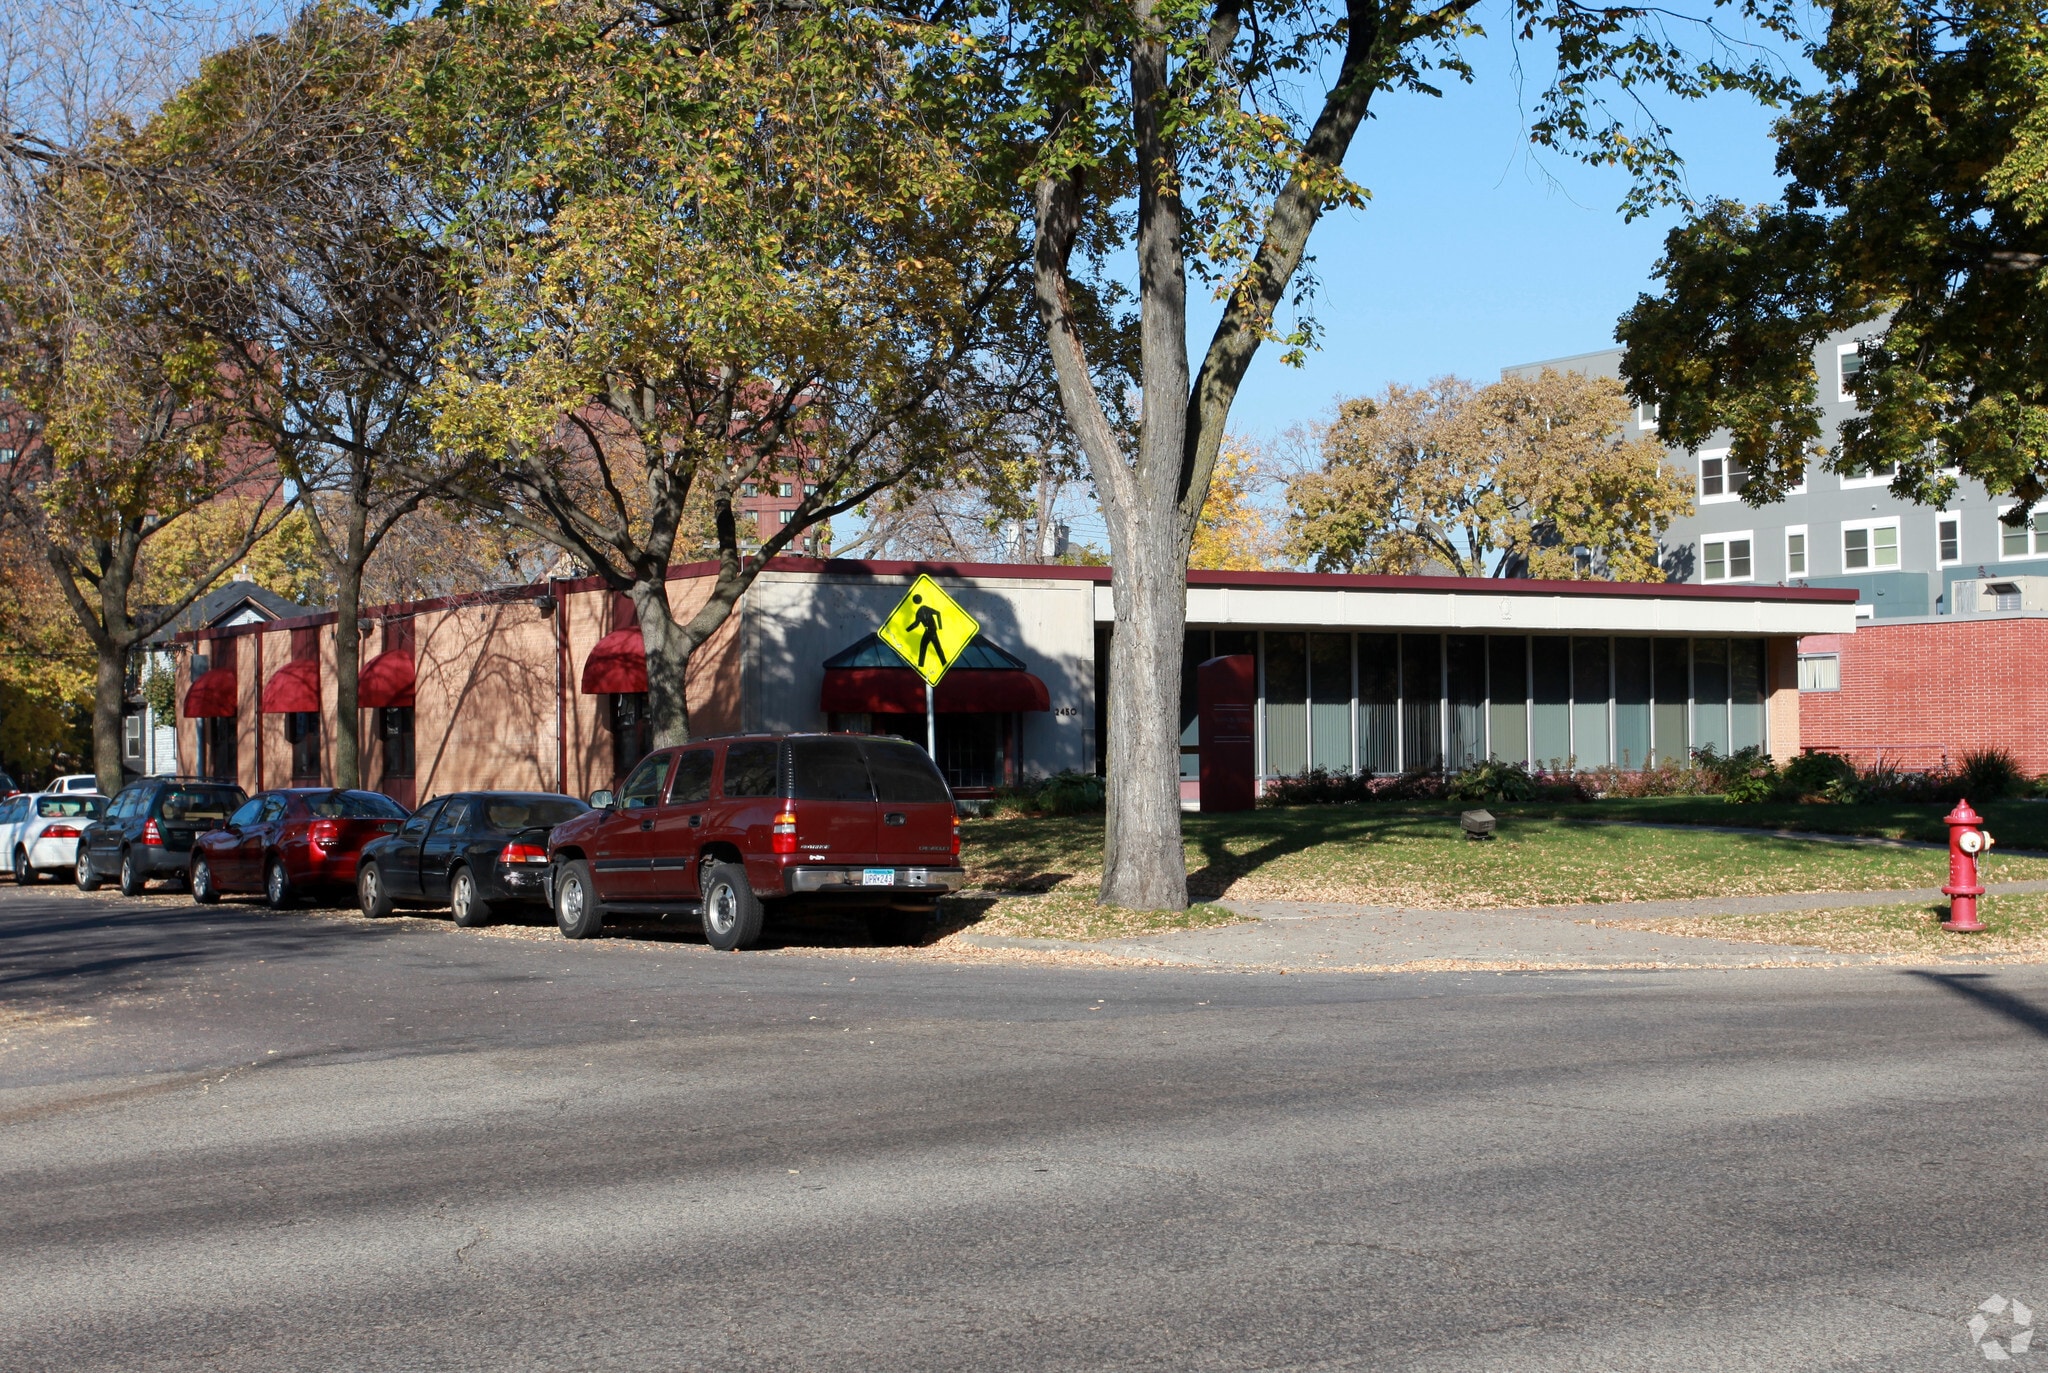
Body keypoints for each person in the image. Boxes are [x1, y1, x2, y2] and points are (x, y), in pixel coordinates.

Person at [907, 594, 946, 669]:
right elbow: (916, 624)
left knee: (935, 647)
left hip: (932, 631)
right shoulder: (919, 612)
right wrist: (907, 630)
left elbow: (938, 613)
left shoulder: (924, 608)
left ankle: (943, 663)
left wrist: (940, 627)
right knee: (925, 647)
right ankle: (921, 665)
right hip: (928, 631)